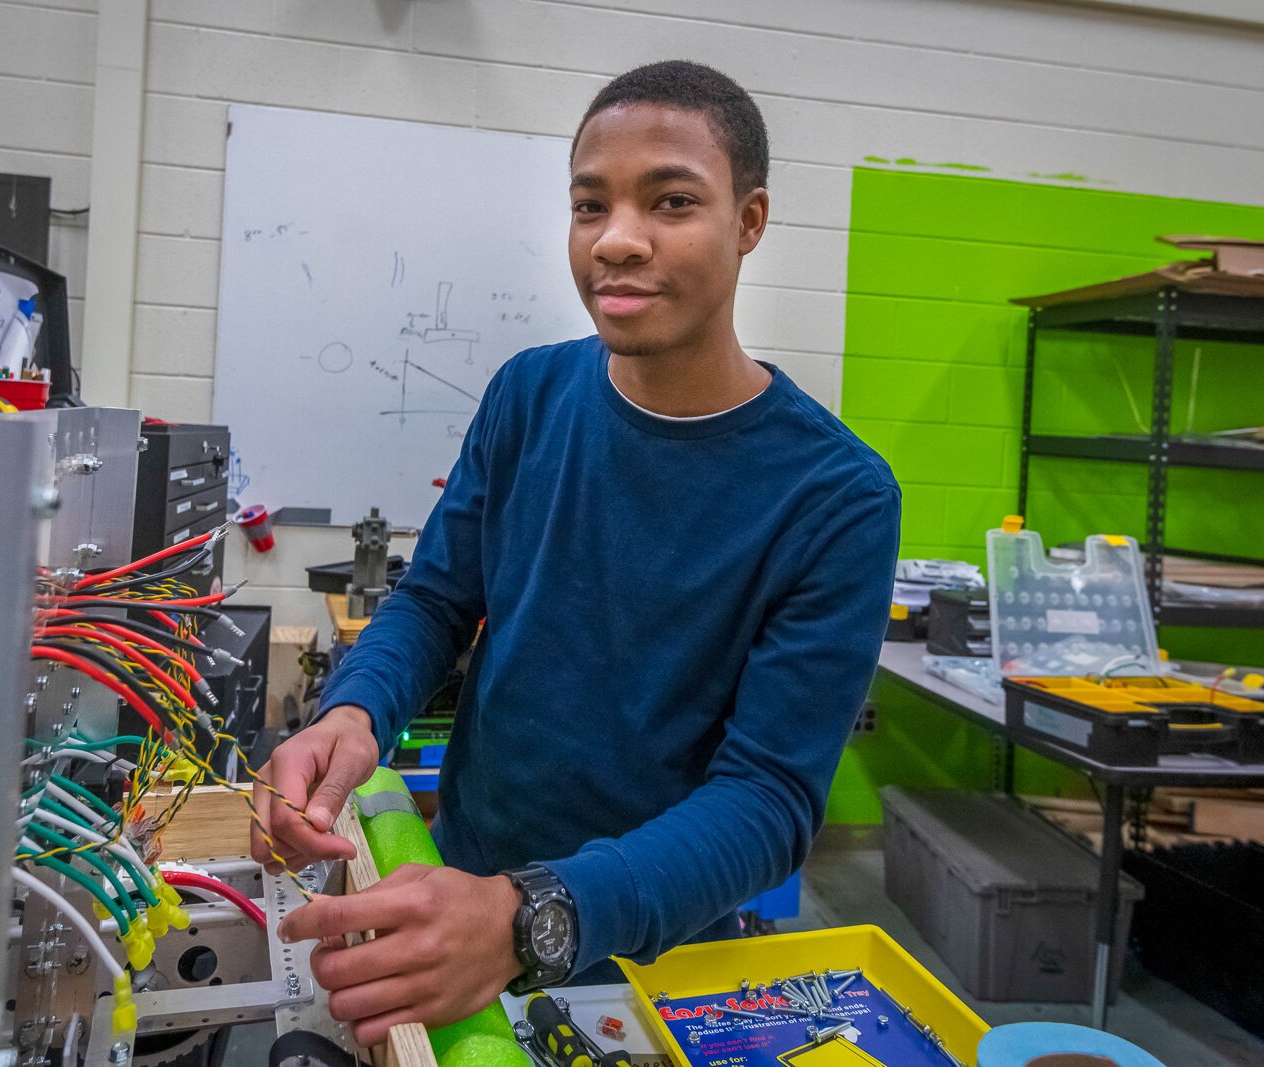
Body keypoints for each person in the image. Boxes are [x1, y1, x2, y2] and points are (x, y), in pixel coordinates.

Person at [255, 59, 901, 1047]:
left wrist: (529, 916)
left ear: (750, 221)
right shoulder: (528, 395)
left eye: (671, 201)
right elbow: (435, 598)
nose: (617, 239)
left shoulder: (837, 496)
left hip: (652, 962)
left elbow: (767, 799)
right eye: (589, 204)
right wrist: (353, 708)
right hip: (457, 891)